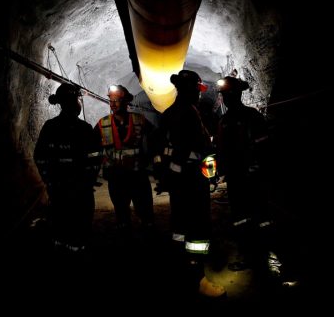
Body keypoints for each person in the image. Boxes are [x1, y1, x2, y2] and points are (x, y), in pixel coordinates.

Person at [153, 69, 226, 298]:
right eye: (197, 89)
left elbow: (158, 148)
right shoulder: (190, 113)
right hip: (193, 180)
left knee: (180, 226)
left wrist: (166, 175)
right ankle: (198, 280)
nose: (199, 93)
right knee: (198, 228)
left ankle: (180, 272)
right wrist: (212, 174)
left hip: (178, 181)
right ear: (192, 88)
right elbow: (204, 149)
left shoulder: (168, 113)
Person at [33, 83, 100, 256]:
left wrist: (49, 180)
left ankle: (63, 253)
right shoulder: (82, 128)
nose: (78, 103)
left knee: (63, 224)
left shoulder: (52, 126)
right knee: (75, 225)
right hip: (75, 190)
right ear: (70, 103)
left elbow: (40, 157)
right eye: (76, 100)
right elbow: (95, 158)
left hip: (63, 189)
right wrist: (88, 180)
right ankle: (74, 253)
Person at [215, 76, 272, 270]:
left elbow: (264, 146)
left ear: (236, 94)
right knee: (240, 217)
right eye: (223, 95)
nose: (225, 98)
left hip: (252, 178)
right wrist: (219, 171)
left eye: (227, 94)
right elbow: (221, 150)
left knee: (259, 216)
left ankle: (264, 253)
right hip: (235, 178)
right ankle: (249, 255)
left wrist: (257, 168)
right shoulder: (223, 121)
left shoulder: (252, 116)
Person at [94, 84, 155, 239]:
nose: (113, 104)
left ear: (126, 101)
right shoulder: (102, 124)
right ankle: (126, 244)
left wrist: (151, 159)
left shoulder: (139, 120)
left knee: (145, 212)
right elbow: (91, 148)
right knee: (122, 214)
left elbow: (156, 137)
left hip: (137, 176)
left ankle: (149, 241)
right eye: (111, 100)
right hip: (116, 178)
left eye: (117, 100)